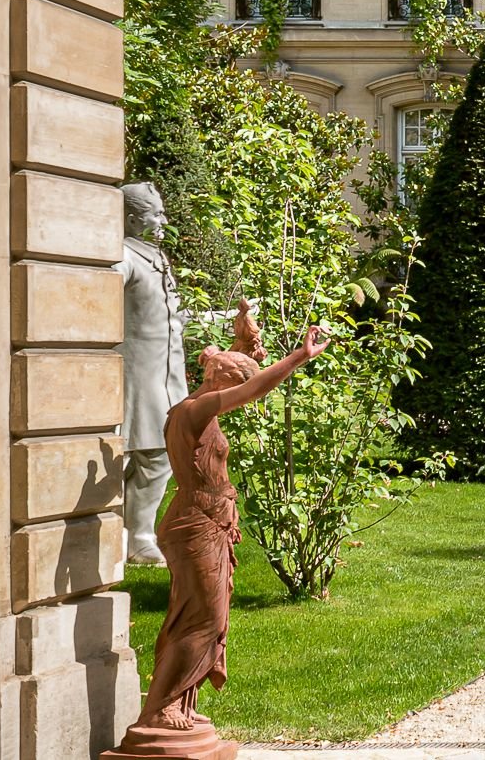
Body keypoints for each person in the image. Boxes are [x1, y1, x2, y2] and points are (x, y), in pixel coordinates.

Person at [104, 301, 327, 760]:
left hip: (205, 521)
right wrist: (298, 357)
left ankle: (176, 706)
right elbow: (250, 390)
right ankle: (158, 714)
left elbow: (236, 366)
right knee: (202, 620)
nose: (240, 383)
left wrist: (244, 332)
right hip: (196, 524)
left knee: (195, 617)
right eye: (235, 377)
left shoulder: (199, 402)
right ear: (221, 381)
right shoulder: (196, 410)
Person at [118, 181, 187, 563]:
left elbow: (168, 317)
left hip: (166, 374)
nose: (163, 220)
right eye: (155, 214)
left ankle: (132, 533)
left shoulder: (154, 257)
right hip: (138, 376)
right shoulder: (125, 257)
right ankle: (137, 537)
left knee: (158, 454)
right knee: (144, 454)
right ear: (131, 219)